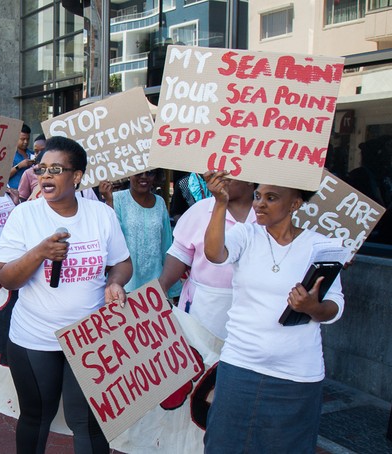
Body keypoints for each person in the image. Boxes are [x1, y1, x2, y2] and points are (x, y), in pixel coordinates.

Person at [0, 136, 132, 453]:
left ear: (77, 176)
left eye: (55, 169)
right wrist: (39, 253)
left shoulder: (102, 215)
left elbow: (123, 263)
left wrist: (115, 282)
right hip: (34, 338)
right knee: (36, 416)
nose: (44, 176)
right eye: (41, 168)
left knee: (87, 422)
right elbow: (7, 279)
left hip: (89, 337)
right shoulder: (24, 216)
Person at [202, 171, 345, 453]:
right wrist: (220, 203)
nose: (259, 204)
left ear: (295, 205)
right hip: (240, 368)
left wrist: (312, 307)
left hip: (297, 377)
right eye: (257, 196)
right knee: (223, 445)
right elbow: (214, 253)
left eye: (271, 198)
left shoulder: (320, 246)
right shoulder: (246, 234)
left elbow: (335, 306)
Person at [158, 177, 256, 339]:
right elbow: (180, 254)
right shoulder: (200, 210)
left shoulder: (266, 215)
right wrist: (162, 286)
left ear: (250, 179)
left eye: (231, 174)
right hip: (202, 308)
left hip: (250, 311)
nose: (223, 178)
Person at [99, 170, 181, 298]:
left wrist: (170, 286)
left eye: (149, 173)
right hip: (125, 284)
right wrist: (109, 202)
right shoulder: (116, 199)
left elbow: (166, 244)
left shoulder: (160, 202)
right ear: (129, 174)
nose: (144, 177)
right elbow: (111, 237)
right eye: (138, 174)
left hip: (156, 284)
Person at [18, 134, 46, 201]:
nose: (38, 154)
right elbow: (22, 199)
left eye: (42, 151)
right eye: (36, 151)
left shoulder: (61, 171)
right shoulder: (29, 173)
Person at [8, 124, 34, 189]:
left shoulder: (32, 153)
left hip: (30, 192)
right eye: (22, 139)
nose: (25, 142)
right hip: (14, 193)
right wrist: (19, 166)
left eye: (28, 139)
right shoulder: (8, 154)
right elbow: (3, 177)